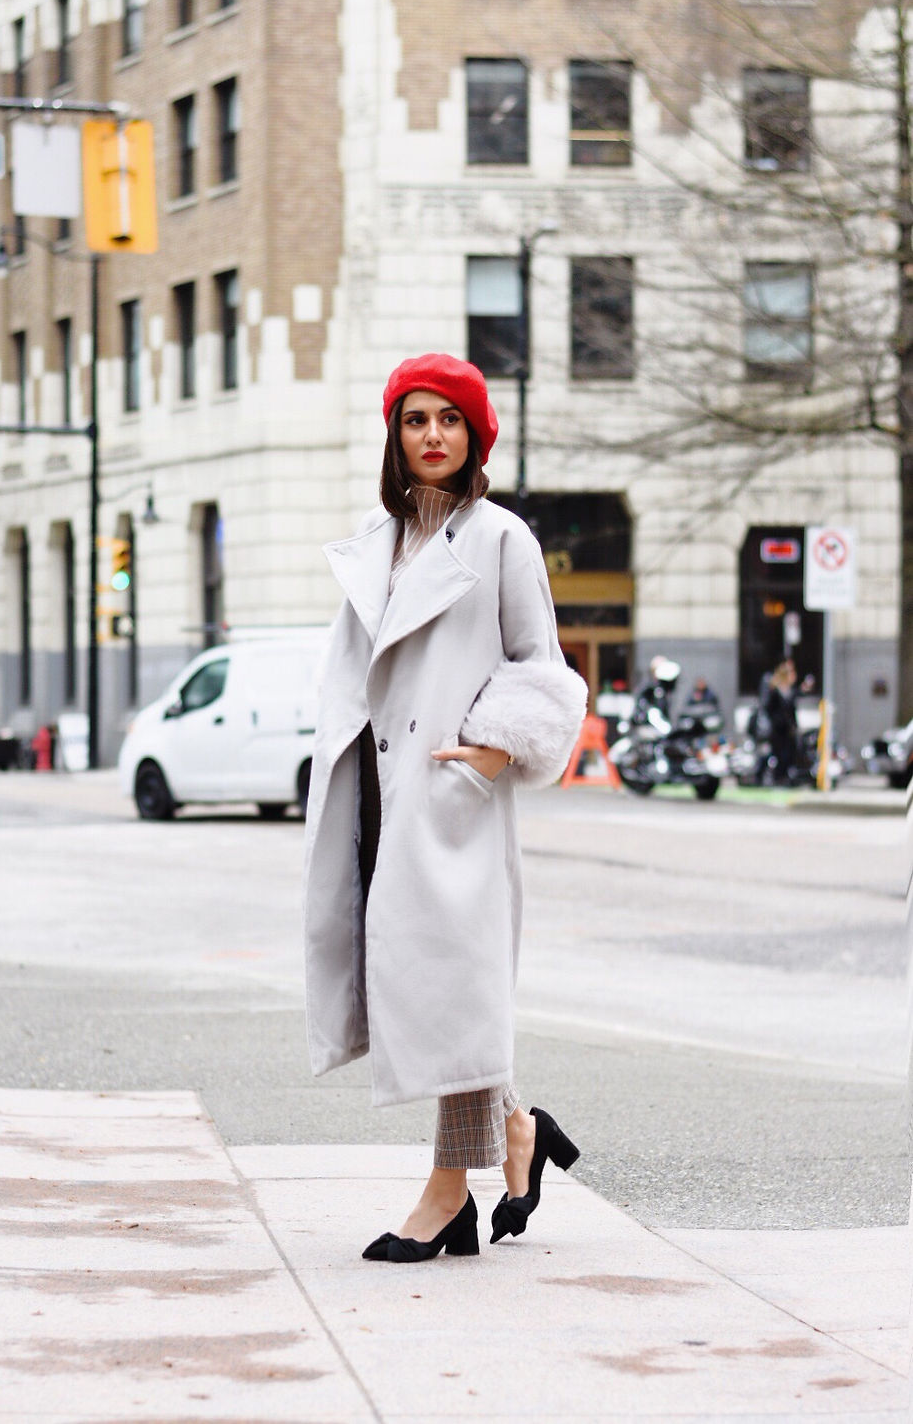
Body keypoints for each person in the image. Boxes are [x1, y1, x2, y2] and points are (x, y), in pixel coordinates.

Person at [304, 354, 587, 1264]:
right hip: (376, 790)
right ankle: (519, 1131)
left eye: (450, 419)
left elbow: (542, 668)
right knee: (433, 991)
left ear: (475, 435)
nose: (433, 435)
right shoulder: (374, 540)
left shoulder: (502, 538)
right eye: (416, 419)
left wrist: (492, 751)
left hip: (448, 791)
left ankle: (445, 1193)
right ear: (395, 434)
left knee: (458, 994)